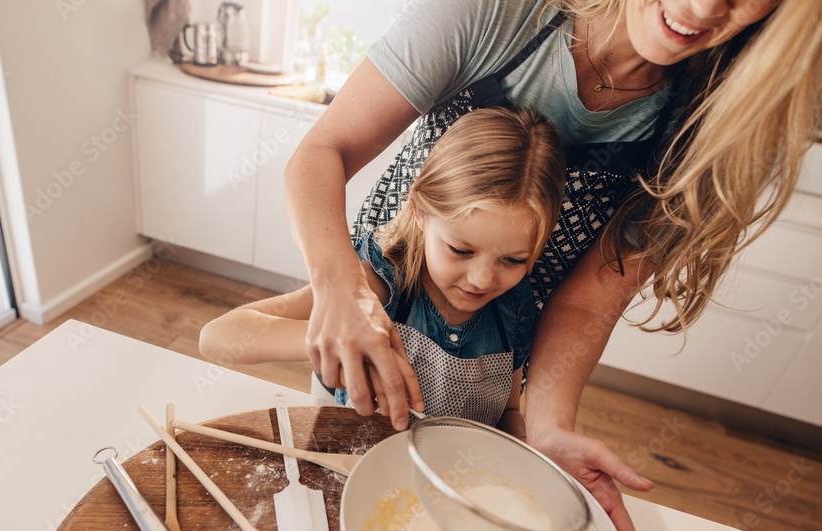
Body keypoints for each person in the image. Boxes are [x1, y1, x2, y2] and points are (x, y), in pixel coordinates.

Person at [281, 0, 822, 531]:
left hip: (501, 349)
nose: (701, 6)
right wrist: (347, 295)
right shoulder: (494, 13)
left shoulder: (712, 120)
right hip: (375, 294)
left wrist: (548, 429)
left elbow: (585, 300)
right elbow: (324, 152)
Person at [201, 106, 565, 435]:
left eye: (514, 260)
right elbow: (217, 337)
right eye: (460, 250)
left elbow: (510, 409)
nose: (484, 279)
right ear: (420, 211)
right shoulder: (376, 281)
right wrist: (344, 341)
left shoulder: (516, 307)